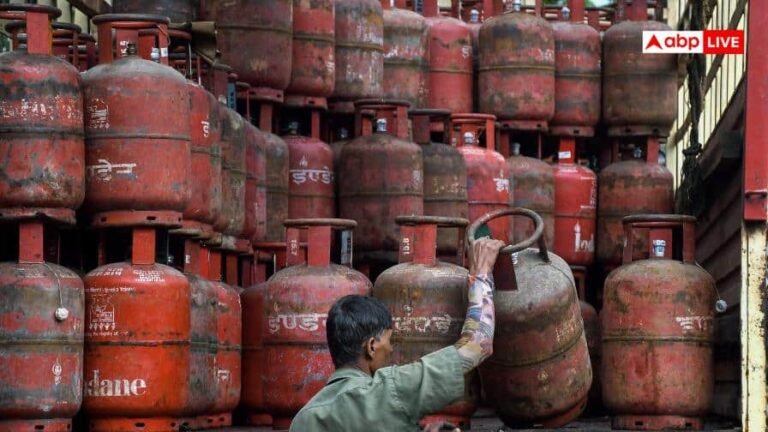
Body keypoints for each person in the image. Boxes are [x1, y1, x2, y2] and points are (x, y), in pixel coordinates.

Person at [289, 237, 505, 432]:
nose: (391, 349)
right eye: (389, 341)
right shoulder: (391, 390)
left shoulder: (304, 419)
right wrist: (481, 275)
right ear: (371, 346)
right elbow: (477, 345)